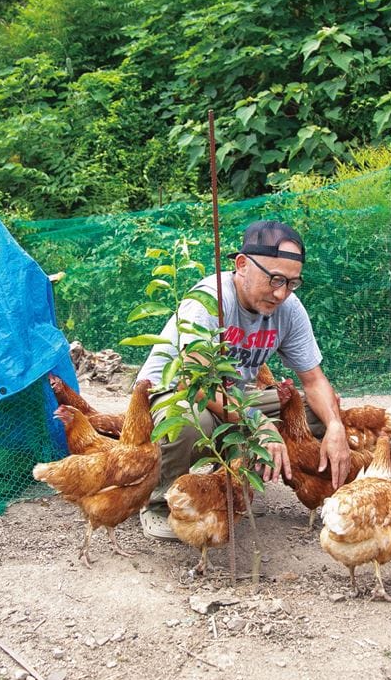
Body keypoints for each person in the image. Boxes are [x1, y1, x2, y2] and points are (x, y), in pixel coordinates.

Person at [136, 220, 349, 540]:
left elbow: (314, 380)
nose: (281, 293)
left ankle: (235, 484)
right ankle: (159, 501)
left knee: (313, 416)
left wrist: (335, 426)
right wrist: (256, 421)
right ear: (242, 265)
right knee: (191, 421)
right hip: (177, 395)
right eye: (274, 279)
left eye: (292, 283)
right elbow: (196, 385)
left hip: (234, 396)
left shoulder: (289, 308)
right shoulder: (209, 300)